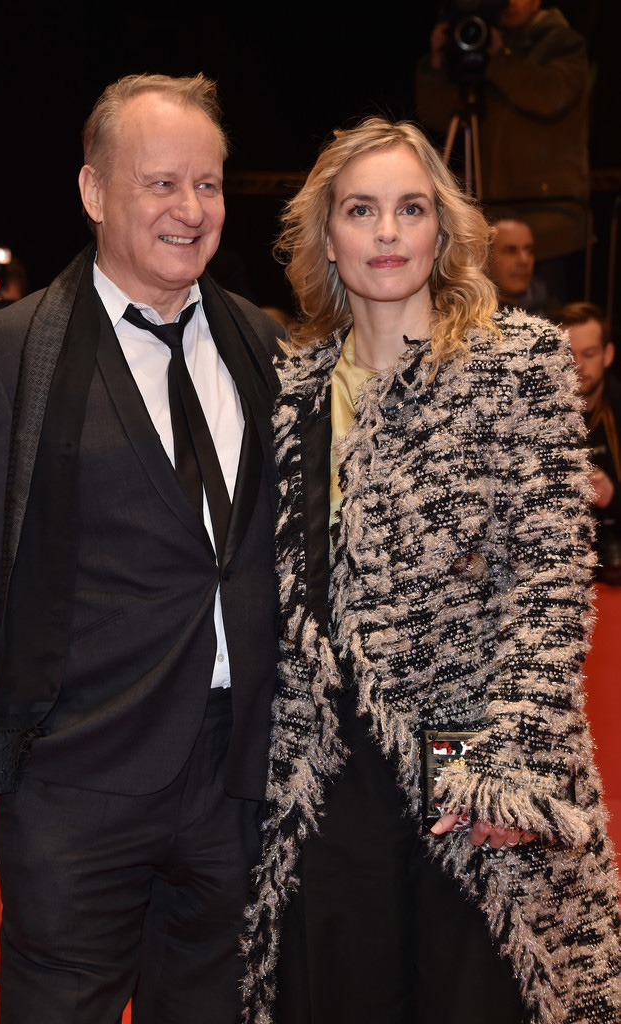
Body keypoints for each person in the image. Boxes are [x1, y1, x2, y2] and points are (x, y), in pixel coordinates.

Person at [240, 118, 621, 1024]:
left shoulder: (516, 364)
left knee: (473, 990)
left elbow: (547, 583)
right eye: (360, 210)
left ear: (443, 229)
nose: (386, 232)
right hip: (326, 769)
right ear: (326, 233)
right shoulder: (290, 390)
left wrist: (507, 765)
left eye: (410, 209)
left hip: (466, 749)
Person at [0, 72, 283, 1024]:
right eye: (160, 183)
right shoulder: (4, 354)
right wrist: (3, 738)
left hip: (237, 778)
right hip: (76, 781)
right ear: (94, 191)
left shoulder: (264, 343)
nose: (190, 209)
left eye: (207, 184)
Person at [415, 0, 590, 305]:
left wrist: (499, 57)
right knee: (492, 316)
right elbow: (438, 115)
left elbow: (551, 96)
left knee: (547, 318)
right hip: (498, 211)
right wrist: (437, 63)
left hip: (550, 215)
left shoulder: (562, 41)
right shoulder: (485, 44)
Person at [559, 301, 621, 583]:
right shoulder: (537, 413)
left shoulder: (617, 407)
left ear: (608, 354)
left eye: (590, 354)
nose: (579, 365)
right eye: (569, 354)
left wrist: (613, 496)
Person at [487, 213, 555, 316]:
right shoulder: (470, 316)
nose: (524, 260)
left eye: (529, 251)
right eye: (510, 250)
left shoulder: (555, 315)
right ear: (484, 257)